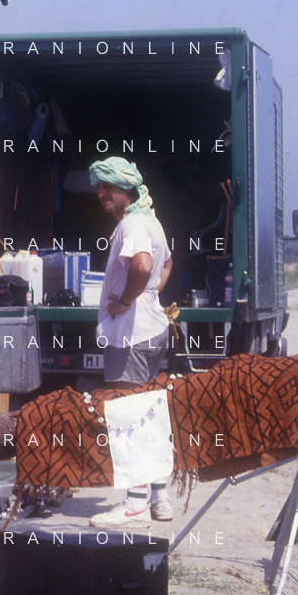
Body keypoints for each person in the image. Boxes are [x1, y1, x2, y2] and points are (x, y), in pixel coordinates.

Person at [85, 157, 175, 530]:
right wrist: (149, 295)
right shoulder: (152, 221)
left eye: (107, 186)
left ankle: (134, 506)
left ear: (127, 189)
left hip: (131, 336)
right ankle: (159, 499)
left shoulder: (133, 225)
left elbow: (142, 266)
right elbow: (166, 264)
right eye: (98, 187)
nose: (101, 193)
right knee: (150, 415)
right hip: (153, 330)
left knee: (129, 418)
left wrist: (124, 302)